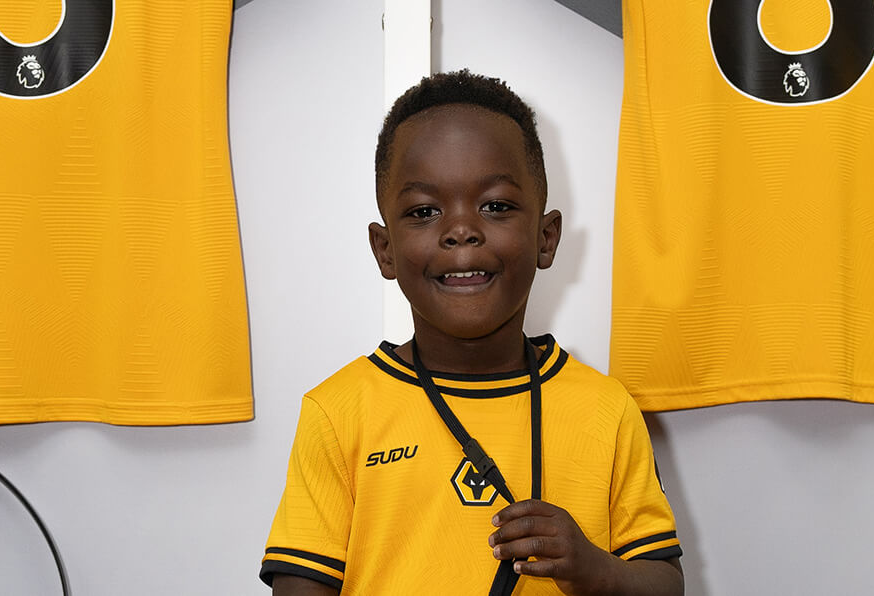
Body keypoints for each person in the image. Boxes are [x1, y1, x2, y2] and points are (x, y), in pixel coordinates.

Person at [261, 70, 685, 595]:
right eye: (424, 211)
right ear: (384, 248)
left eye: (496, 205)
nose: (461, 229)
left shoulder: (607, 409)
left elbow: (665, 584)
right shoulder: (338, 413)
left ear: (546, 238)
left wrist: (590, 566)